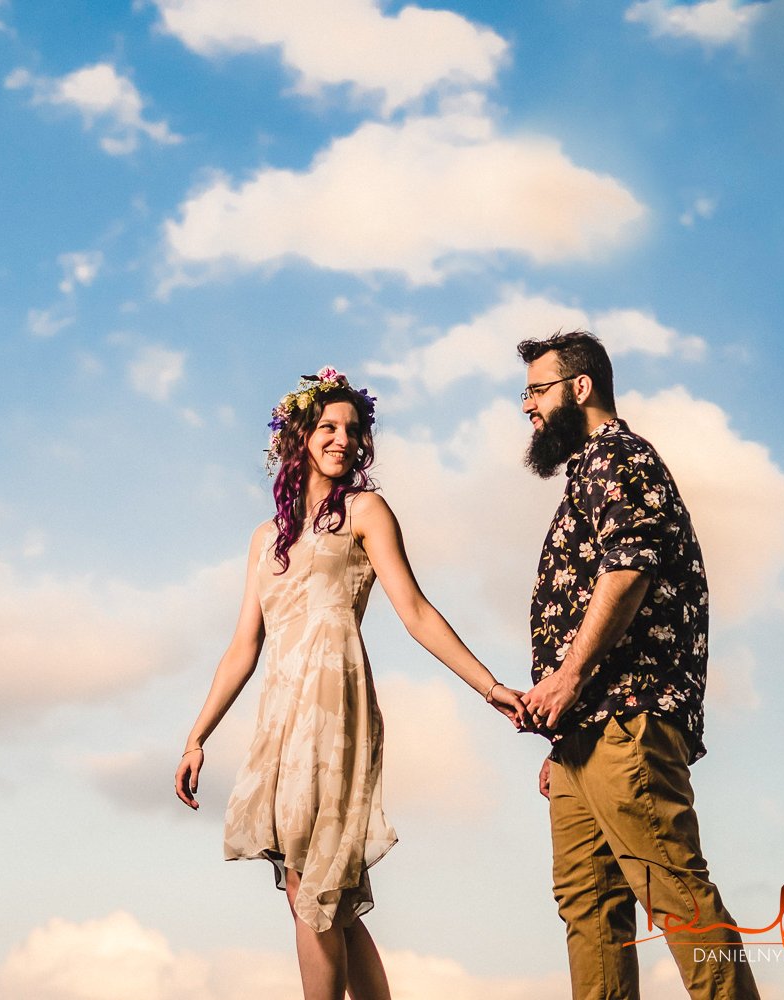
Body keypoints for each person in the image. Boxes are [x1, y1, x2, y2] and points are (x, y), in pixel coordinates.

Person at [174, 367, 528, 1000]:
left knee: (312, 882)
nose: (342, 439)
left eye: (353, 429)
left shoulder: (365, 511)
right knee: (319, 892)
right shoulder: (263, 540)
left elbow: (415, 610)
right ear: (300, 433)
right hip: (280, 713)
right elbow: (242, 648)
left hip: (334, 705)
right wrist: (196, 736)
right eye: (329, 426)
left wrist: (489, 685)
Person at [516, 331, 759, 999]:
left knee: (674, 890)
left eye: (537, 390)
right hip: (583, 733)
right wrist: (564, 733)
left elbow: (628, 570)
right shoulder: (587, 470)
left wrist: (566, 680)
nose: (528, 407)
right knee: (589, 911)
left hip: (630, 715)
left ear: (581, 387)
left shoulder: (620, 457)